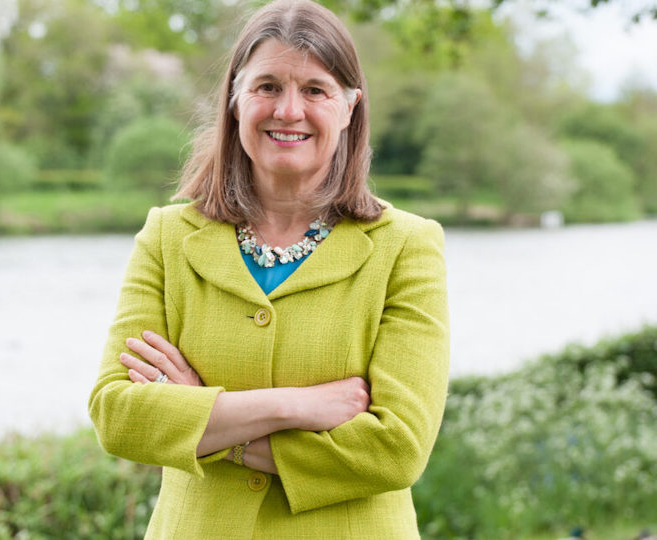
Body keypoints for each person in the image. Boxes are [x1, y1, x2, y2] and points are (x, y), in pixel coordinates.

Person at [87, 0, 449, 538]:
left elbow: (395, 451)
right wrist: (299, 406)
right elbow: (118, 415)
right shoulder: (167, 237)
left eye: (315, 90)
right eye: (268, 86)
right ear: (235, 100)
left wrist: (203, 417)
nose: (288, 111)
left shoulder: (406, 247)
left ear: (350, 107)